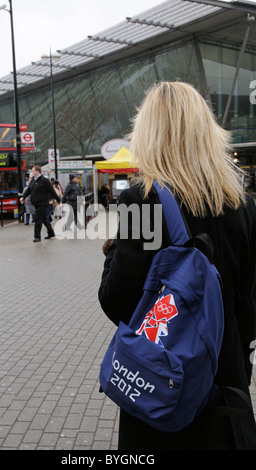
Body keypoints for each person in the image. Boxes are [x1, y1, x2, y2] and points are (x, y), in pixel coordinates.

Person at [98, 81, 256, 450]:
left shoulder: (143, 201)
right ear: (207, 131)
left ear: (149, 133)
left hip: (162, 390)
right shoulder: (244, 205)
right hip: (227, 392)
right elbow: (251, 307)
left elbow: (118, 302)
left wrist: (113, 254)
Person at [20, 165, 61, 242]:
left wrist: (58, 200)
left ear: (37, 171)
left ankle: (37, 236)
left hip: (42, 203)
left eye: (33, 171)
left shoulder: (44, 180)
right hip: (35, 203)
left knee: (38, 219)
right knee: (44, 219)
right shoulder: (33, 180)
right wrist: (23, 197)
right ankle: (51, 233)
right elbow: (28, 190)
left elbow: (52, 191)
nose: (32, 172)